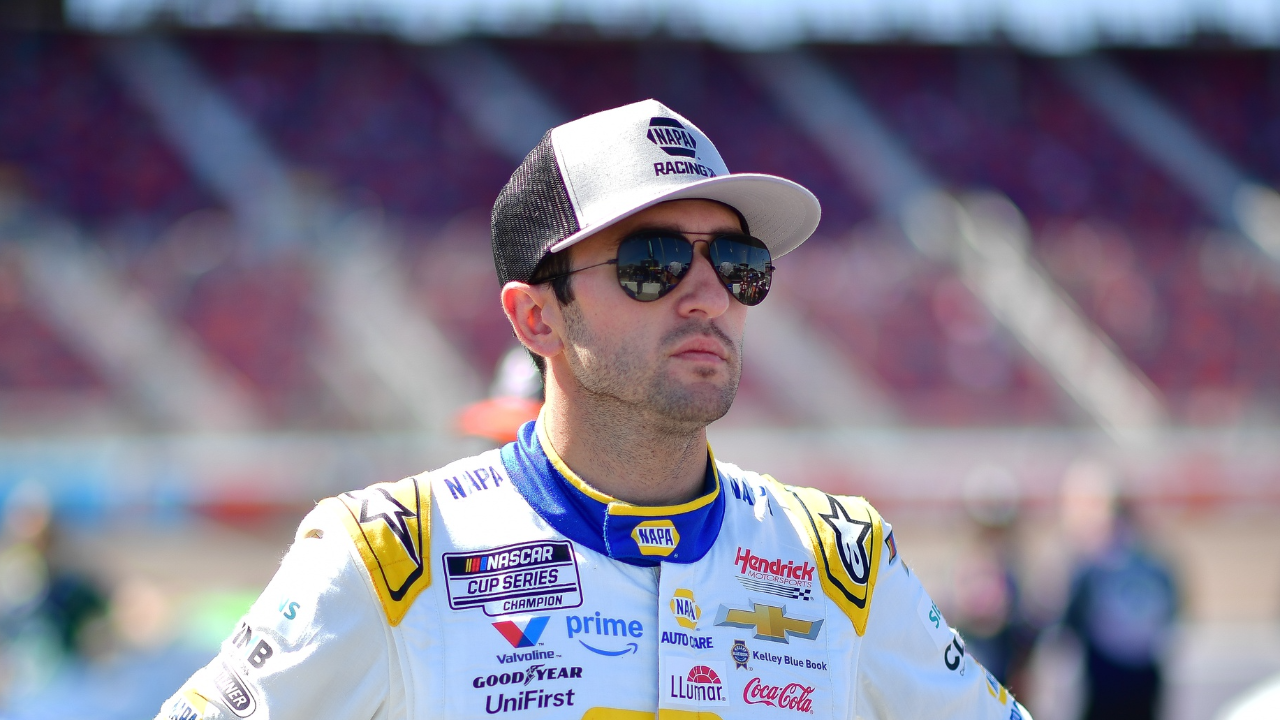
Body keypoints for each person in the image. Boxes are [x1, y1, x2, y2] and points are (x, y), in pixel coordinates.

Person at [155, 99, 1031, 720]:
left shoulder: (846, 563)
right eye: (652, 261)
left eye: (737, 263)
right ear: (535, 317)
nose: (706, 297)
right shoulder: (393, 557)